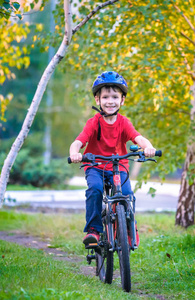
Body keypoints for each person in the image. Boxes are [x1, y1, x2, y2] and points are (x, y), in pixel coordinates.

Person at [69, 71, 157, 245]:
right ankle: (94, 230)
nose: (110, 101)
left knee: (127, 195)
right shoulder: (93, 122)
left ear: (122, 100)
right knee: (95, 189)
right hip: (95, 166)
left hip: (118, 166)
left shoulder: (124, 122)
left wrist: (148, 147)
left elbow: (138, 138)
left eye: (115, 97)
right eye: (106, 97)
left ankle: (130, 228)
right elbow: (78, 142)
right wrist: (75, 153)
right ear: (98, 100)